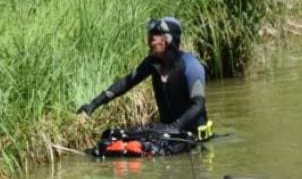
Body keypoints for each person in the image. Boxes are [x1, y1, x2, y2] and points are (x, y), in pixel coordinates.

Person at [78, 17, 211, 147]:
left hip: (193, 137)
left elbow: (198, 105)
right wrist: (92, 105)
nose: (149, 41)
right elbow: (126, 83)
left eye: (153, 37)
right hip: (167, 133)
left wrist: (174, 127)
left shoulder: (191, 66)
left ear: (167, 40)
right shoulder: (152, 64)